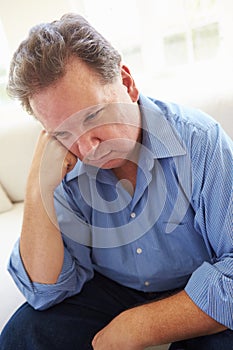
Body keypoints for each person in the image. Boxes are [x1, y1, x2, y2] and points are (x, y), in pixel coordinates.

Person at [0, 13, 232, 350]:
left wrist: (140, 325)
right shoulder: (65, 163)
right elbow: (46, 291)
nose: (88, 147)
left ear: (127, 81)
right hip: (109, 289)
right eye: (64, 132)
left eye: (93, 117)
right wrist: (38, 188)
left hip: (195, 287)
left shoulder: (201, 141)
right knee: (25, 334)